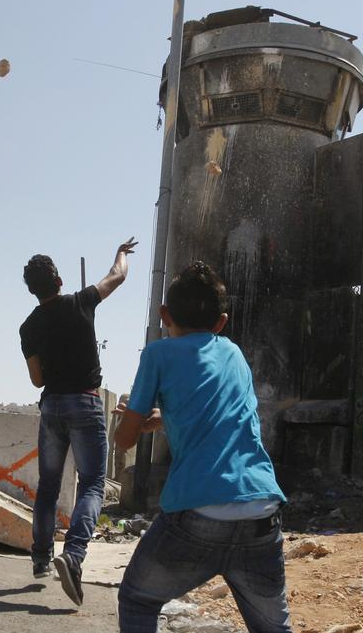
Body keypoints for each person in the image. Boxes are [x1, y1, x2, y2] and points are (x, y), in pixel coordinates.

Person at [113, 262, 290, 633]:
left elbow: (125, 439)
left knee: (138, 598)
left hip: (196, 516)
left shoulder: (158, 354)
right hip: (261, 512)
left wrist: (133, 419)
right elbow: (221, 413)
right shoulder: (235, 355)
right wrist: (166, 418)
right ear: (221, 322)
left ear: (164, 316)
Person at [18, 238, 136, 604]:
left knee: (49, 485)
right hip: (85, 403)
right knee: (92, 485)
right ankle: (74, 554)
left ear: (33, 290)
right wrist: (120, 252)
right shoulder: (80, 302)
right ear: (58, 281)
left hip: (52, 404)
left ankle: (40, 560)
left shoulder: (28, 327)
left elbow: (36, 379)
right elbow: (117, 277)